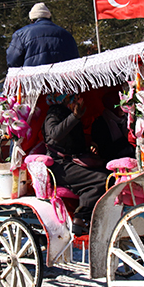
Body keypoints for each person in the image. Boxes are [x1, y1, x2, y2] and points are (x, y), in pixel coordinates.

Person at [42, 93, 110, 236]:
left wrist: (89, 147)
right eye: (73, 100)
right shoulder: (53, 114)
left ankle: (93, 216)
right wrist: (74, 117)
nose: (77, 102)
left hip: (70, 163)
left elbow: (72, 143)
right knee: (101, 179)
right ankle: (80, 219)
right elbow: (55, 134)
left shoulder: (66, 114)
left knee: (107, 174)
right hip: (60, 167)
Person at [6, 3, 80, 68]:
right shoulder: (67, 35)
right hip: (60, 82)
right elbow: (75, 63)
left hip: (33, 81)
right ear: (49, 17)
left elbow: (12, 61)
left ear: (32, 19)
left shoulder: (21, 35)